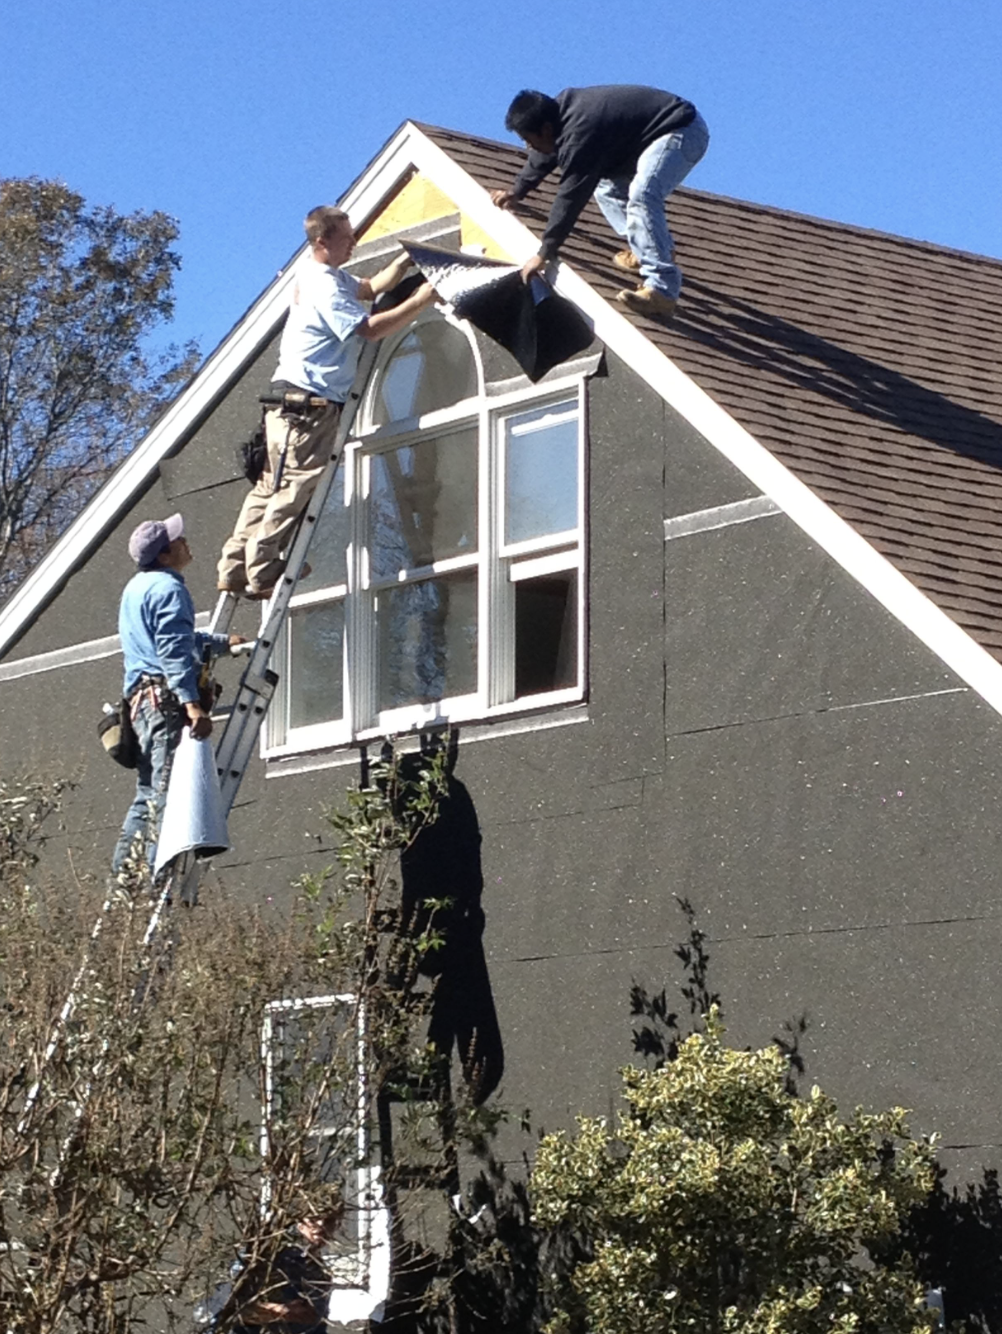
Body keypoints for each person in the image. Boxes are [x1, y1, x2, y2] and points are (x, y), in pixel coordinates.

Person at [217, 205, 438, 599]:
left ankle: (233, 567)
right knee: (295, 486)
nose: (354, 242)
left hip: (287, 403)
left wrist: (404, 261)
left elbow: (369, 289)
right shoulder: (325, 285)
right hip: (308, 406)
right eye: (346, 237)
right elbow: (369, 329)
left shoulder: (324, 276)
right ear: (322, 241)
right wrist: (422, 300)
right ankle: (262, 569)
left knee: (269, 488)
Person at [491, 85, 710, 323]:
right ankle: (650, 247)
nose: (528, 147)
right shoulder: (558, 117)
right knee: (607, 188)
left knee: (643, 194)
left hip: (681, 130)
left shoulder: (581, 131)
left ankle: (662, 291)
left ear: (545, 128)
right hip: (643, 139)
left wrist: (544, 253)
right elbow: (546, 151)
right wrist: (517, 190)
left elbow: (570, 197)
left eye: (528, 140)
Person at [113, 513, 242, 876]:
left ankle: (123, 881)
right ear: (166, 554)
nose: (186, 542)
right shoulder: (170, 589)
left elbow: (169, 639)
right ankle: (156, 878)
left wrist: (219, 643)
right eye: (178, 540)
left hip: (139, 704)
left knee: (147, 795)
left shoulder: (135, 589)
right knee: (168, 794)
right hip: (164, 699)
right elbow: (171, 651)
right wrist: (191, 703)